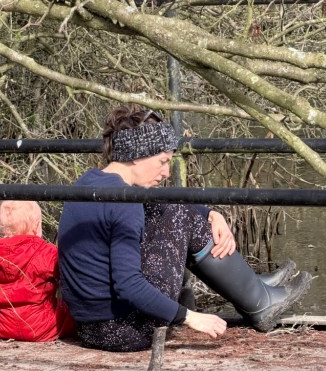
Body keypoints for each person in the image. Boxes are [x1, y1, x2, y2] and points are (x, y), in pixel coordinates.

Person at [57, 104, 311, 352]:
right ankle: (259, 302)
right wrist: (189, 317)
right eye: (162, 161)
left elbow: (162, 202)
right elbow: (128, 285)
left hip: (89, 327)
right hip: (125, 331)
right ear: (136, 154)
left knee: (172, 207)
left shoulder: (89, 182)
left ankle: (252, 286)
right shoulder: (126, 203)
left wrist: (211, 213)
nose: (166, 172)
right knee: (179, 214)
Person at [0, 200, 76, 342]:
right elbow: (69, 272)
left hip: (3, 328)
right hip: (43, 327)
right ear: (36, 226)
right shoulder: (45, 252)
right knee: (71, 311)